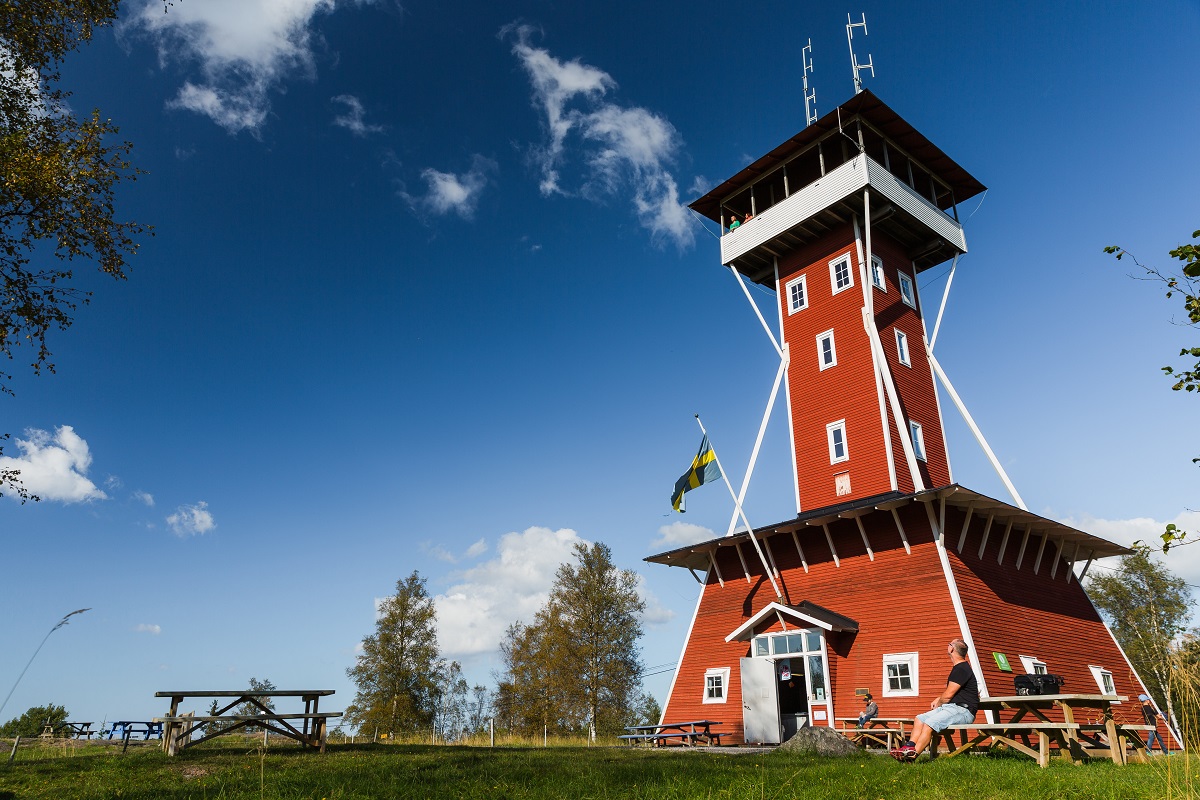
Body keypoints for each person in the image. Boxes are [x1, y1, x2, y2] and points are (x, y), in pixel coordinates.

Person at [891, 639, 979, 762]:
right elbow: (954, 692)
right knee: (919, 719)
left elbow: (948, 695)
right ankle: (909, 747)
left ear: (952, 649)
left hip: (963, 710)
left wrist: (939, 702)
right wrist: (939, 699)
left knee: (930, 723)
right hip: (953, 707)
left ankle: (911, 757)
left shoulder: (961, 669)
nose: (948, 646)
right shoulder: (960, 668)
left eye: (949, 644)